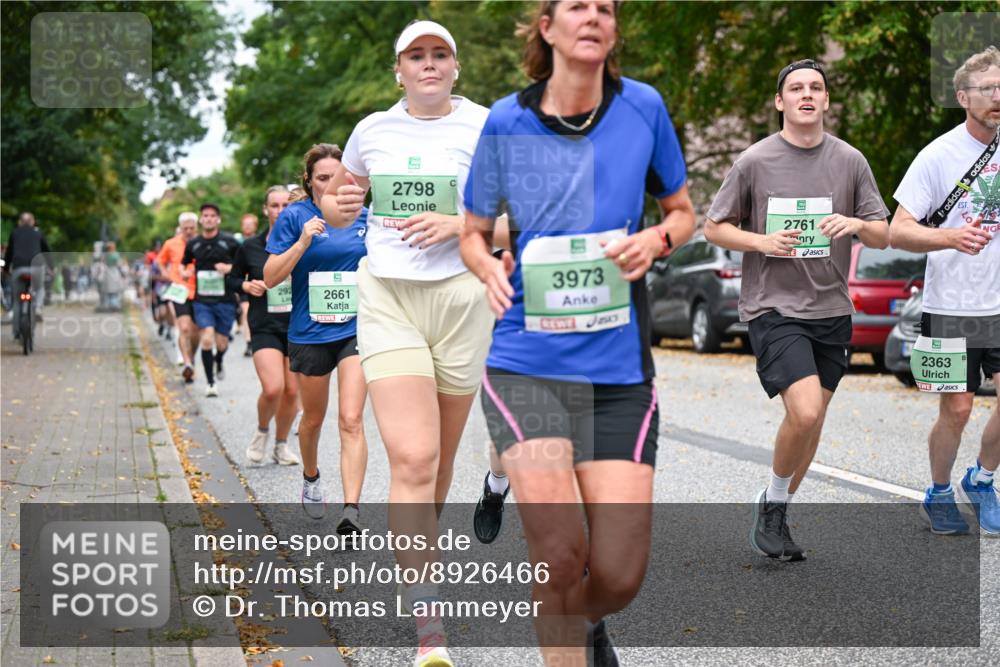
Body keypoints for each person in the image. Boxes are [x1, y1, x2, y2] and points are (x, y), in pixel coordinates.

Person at [461, 2, 696, 664]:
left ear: (613, 29)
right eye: (577, 6)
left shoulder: (643, 109)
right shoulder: (507, 120)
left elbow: (682, 213)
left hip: (619, 372)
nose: (593, 16)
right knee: (559, 552)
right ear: (547, 27)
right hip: (525, 363)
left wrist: (656, 237)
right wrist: (487, 268)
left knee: (618, 573)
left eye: (605, 7)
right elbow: (472, 234)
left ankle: (579, 619)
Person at [321, 20, 496, 667]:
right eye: (415, 56)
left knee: (442, 461)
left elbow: (524, 213)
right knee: (415, 459)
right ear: (398, 70)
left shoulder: (488, 125)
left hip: (461, 299)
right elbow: (346, 202)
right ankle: (429, 620)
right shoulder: (371, 132)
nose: (427, 64)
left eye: (439, 54)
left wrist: (459, 222)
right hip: (388, 297)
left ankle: (419, 550)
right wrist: (341, 204)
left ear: (455, 66)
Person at [704, 58, 889, 560]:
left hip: (832, 307)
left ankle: (776, 504)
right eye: (795, 88)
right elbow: (715, 227)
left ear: (827, 101)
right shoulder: (754, 161)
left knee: (813, 421)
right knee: (804, 410)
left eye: (816, 87)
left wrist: (853, 224)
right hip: (773, 305)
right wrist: (763, 240)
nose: (807, 94)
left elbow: (882, 229)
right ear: (780, 101)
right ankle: (773, 507)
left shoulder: (850, 161)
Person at [888, 46, 1000, 535]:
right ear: (962, 97)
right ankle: (938, 492)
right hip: (950, 306)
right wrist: (951, 236)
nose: (998, 97)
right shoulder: (937, 155)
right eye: (987, 89)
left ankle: (982, 478)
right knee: (957, 408)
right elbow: (898, 230)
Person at [264, 144, 369, 534]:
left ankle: (351, 510)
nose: (331, 185)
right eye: (322, 178)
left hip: (355, 330)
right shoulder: (294, 217)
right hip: (309, 332)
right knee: (312, 420)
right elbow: (272, 276)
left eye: (338, 177)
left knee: (351, 418)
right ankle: (311, 477)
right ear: (309, 181)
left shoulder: (365, 218)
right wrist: (304, 240)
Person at [231, 187, 301, 467]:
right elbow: (233, 279)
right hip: (264, 325)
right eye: (275, 205)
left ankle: (281, 445)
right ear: (266, 209)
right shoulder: (251, 247)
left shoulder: (303, 242)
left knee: (292, 392)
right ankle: (262, 432)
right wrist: (247, 285)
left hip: (297, 325)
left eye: (286, 205)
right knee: (273, 388)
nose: (280, 211)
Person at [182, 203, 240, 397]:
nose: (208, 219)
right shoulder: (193, 244)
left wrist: (229, 268)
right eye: (205, 216)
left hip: (225, 300)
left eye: (212, 216)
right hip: (202, 301)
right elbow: (184, 265)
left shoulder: (229, 242)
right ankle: (210, 383)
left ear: (218, 219)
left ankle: (219, 360)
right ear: (201, 219)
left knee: (222, 343)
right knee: (207, 338)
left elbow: (242, 266)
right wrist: (185, 272)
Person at [158, 214, 199, 376]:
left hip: (199, 290)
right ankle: (187, 364)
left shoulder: (201, 242)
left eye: (191, 228)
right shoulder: (171, 243)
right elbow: (160, 260)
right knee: (184, 328)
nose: (188, 231)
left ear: (196, 227)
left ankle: (191, 357)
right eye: (185, 228)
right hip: (180, 290)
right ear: (180, 228)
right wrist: (166, 274)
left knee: (196, 333)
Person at [4, 212, 52, 337]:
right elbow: (46, 251)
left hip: (19, 268)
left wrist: (5, 269)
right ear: (33, 222)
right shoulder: (38, 233)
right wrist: (51, 267)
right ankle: (38, 308)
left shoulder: (14, 233)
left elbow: (9, 253)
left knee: (17, 300)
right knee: (40, 288)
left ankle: (16, 331)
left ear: (20, 222)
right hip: (36, 268)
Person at [238, 213, 260, 356]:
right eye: (245, 224)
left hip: (259, 283)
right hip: (244, 283)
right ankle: (249, 342)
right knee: (246, 310)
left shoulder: (262, 241)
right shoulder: (237, 242)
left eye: (250, 224)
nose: (247, 226)